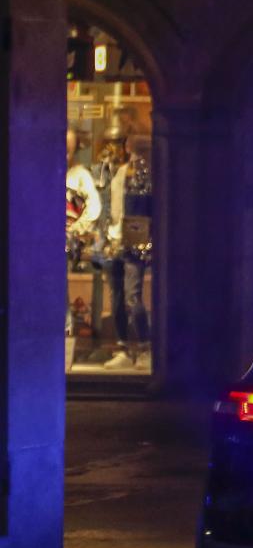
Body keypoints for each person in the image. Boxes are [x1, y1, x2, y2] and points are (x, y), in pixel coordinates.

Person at [97, 127, 153, 370]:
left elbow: (146, 209)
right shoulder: (120, 171)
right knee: (118, 296)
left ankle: (144, 346)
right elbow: (113, 206)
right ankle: (123, 347)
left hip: (134, 242)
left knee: (132, 295)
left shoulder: (147, 173)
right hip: (116, 240)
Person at [66, 128, 101, 371]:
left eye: (68, 147)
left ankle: (65, 350)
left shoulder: (80, 175)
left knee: (58, 290)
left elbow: (95, 207)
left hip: (64, 240)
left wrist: (76, 228)